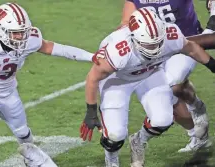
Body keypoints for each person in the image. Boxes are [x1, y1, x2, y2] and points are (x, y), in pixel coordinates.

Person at [0, 3, 94, 167]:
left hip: (7, 90)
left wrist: (91, 56)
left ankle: (30, 161)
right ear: (0, 30)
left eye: (23, 32)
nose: (21, 38)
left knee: (23, 134)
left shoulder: (31, 40)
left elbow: (57, 49)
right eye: (16, 33)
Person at [80, 7, 215, 167]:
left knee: (163, 119)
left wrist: (212, 64)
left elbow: (191, 48)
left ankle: (139, 140)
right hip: (118, 80)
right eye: (150, 45)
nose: (156, 48)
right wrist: (91, 111)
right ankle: (111, 160)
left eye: (158, 42)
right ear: (134, 39)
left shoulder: (170, 35)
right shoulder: (118, 51)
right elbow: (93, 77)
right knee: (115, 134)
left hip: (150, 73)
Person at [119, 0, 215, 152]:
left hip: (188, 42)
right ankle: (197, 132)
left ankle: (196, 114)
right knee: (174, 92)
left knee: (171, 83)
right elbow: (126, 22)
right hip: (153, 47)